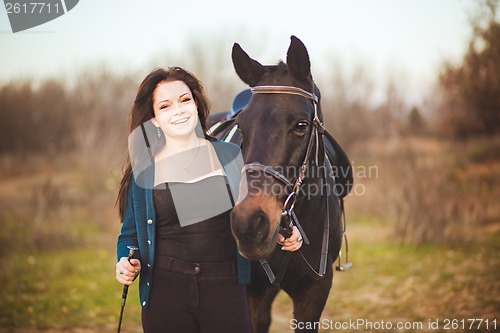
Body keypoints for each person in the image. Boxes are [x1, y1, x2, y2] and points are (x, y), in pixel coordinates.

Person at [115, 67, 303, 333]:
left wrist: (284, 230)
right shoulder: (144, 171)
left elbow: (257, 207)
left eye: (184, 100)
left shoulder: (232, 154)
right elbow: (129, 236)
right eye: (165, 106)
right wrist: (124, 260)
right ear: (155, 119)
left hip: (227, 287)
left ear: (196, 104)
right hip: (165, 291)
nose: (178, 110)